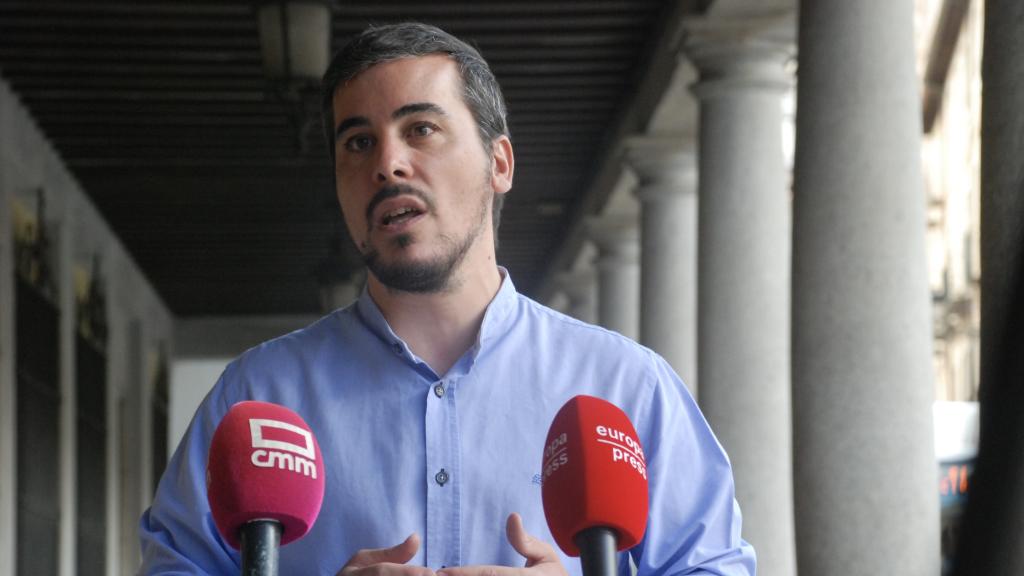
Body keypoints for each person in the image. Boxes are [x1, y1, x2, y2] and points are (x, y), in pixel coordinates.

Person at [139, 22, 755, 575]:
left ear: (500, 163)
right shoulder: (258, 397)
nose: (388, 164)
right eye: (358, 142)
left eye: (421, 130)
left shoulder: (627, 387)